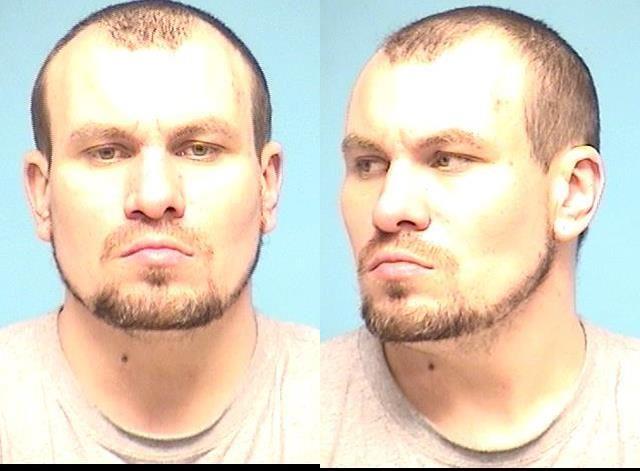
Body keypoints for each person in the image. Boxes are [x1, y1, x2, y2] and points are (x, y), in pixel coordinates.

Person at [0, 0, 317, 464]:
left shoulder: (337, 405)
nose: (153, 197)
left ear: (267, 185)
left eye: (199, 149)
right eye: (107, 152)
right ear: (39, 194)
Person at [322, 6, 640, 467]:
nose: (388, 209)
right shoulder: (301, 418)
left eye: (447, 159)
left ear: (572, 193)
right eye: (369, 165)